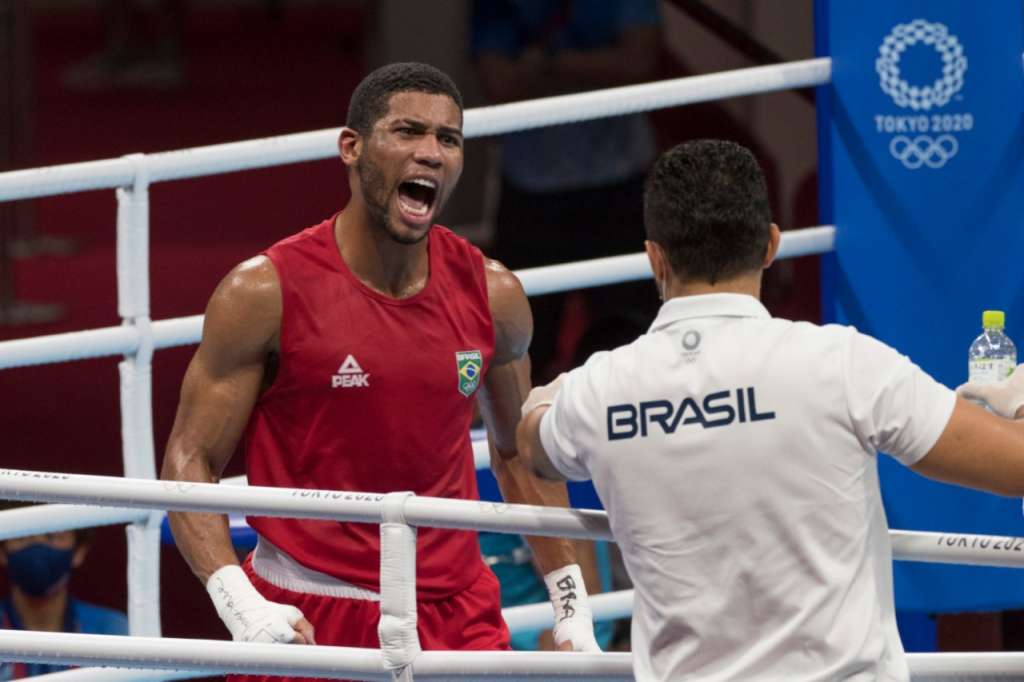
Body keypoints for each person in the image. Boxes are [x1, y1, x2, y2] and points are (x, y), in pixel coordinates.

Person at [517, 139, 1024, 681]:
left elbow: (530, 443)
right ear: (770, 246)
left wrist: (554, 395)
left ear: (655, 258)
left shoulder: (600, 390)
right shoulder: (842, 364)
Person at [160, 62, 598, 680]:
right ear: (352, 147)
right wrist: (240, 603)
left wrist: (572, 607)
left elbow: (518, 451)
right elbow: (191, 457)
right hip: (309, 610)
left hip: (457, 613)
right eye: (408, 131)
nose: (431, 152)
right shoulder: (264, 292)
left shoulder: (493, 295)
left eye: (448, 138)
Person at [471, 0, 662, 382]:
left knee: (633, 346)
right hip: (532, 188)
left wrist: (546, 67)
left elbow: (638, 62)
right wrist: (595, 71)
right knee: (518, 349)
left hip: (619, 184)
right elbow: (499, 82)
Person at [0, 523, 128, 679]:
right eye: (23, 537)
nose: (38, 546)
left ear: (79, 551)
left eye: (53, 536)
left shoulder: (114, 631)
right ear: (2, 549)